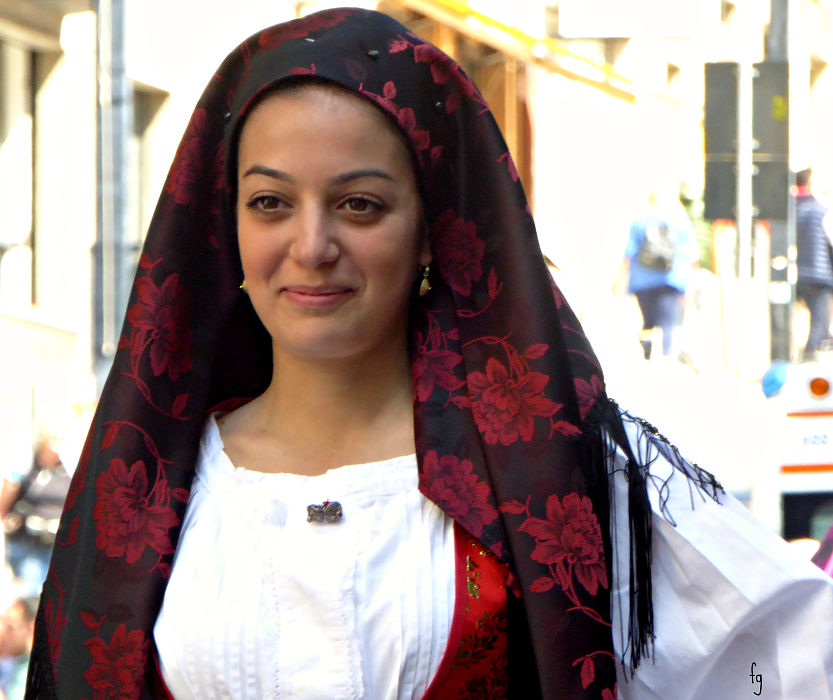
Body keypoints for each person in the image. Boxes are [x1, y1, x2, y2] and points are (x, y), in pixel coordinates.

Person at [25, 9, 833, 698]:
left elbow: (787, 656)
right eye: (270, 203)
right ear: (226, 226)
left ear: (430, 228)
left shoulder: (553, 474)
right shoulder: (153, 493)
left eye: (359, 204)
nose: (311, 245)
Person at [621, 190, 699, 360]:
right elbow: (692, 251)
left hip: (642, 280)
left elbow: (630, 250)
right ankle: (667, 357)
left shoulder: (640, 220)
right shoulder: (679, 219)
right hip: (672, 279)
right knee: (668, 322)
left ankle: (647, 354)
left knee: (648, 320)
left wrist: (622, 275)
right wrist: (692, 279)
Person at [0, 440, 69, 598]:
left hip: (57, 546)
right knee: (33, 592)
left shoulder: (68, 475)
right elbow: (4, 509)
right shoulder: (31, 476)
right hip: (31, 546)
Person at [794, 167, 833, 360]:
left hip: (799, 273)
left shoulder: (792, 209)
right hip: (820, 276)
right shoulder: (821, 211)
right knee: (819, 324)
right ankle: (808, 361)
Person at [0, 597, 37, 700]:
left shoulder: (38, 672)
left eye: (11, 627)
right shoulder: (13, 663)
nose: (4, 632)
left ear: (32, 628)